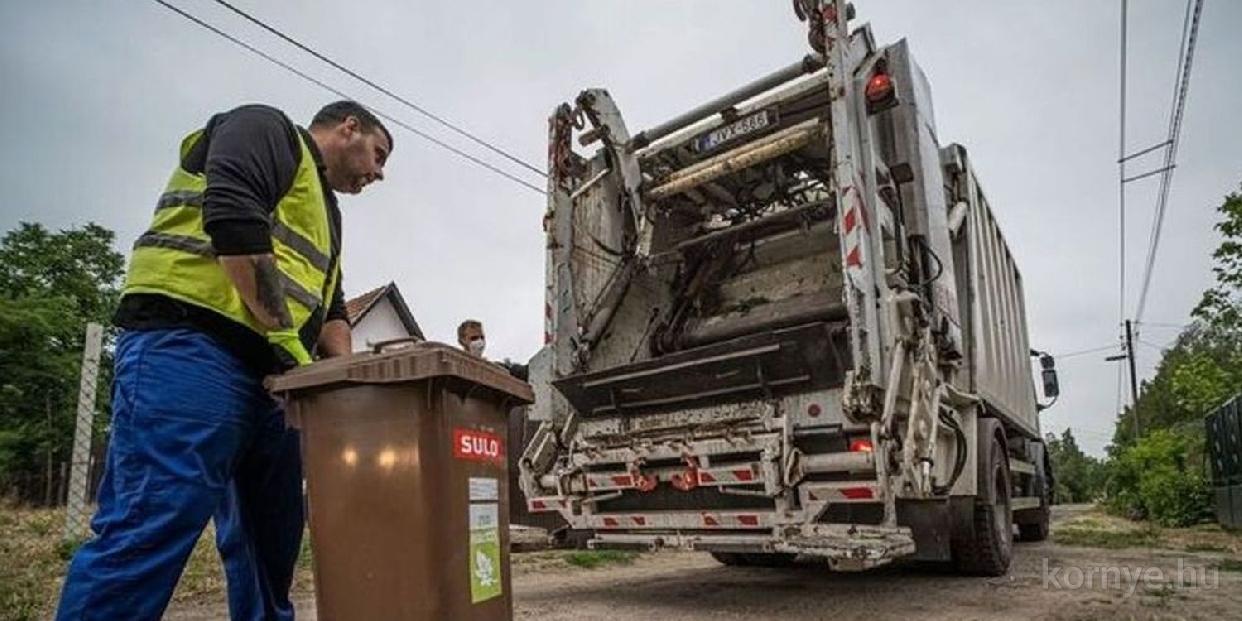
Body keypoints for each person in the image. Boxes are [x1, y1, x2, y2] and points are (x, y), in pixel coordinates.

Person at [56, 101, 392, 621]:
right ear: (349, 128)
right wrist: (284, 337)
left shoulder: (329, 213)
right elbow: (232, 216)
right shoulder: (266, 129)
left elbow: (331, 309)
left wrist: (340, 382)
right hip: (192, 350)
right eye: (378, 153)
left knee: (270, 546)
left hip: (276, 385)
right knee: (151, 526)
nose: (378, 172)